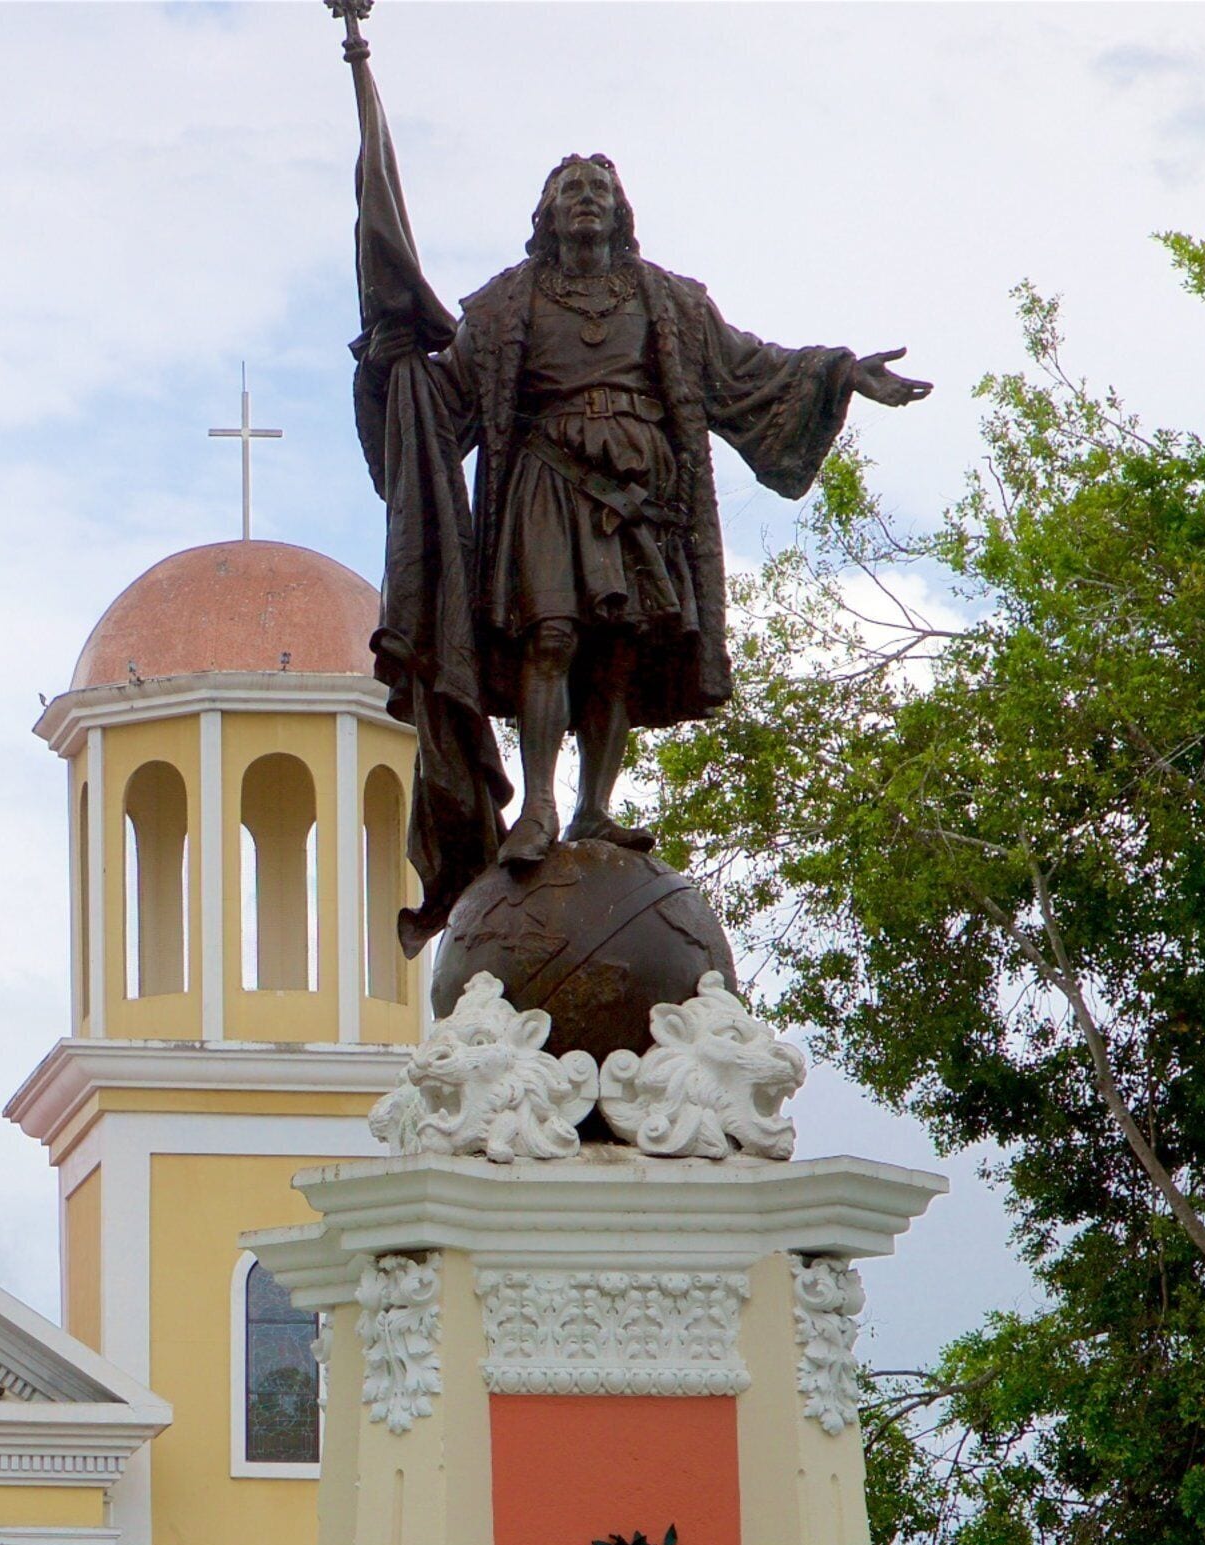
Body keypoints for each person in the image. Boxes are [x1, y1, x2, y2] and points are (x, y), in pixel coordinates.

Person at [345, 29, 928, 947]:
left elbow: (744, 371)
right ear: (545, 215)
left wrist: (838, 372)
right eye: (569, 190)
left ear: (620, 213)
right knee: (551, 638)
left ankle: (592, 807)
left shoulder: (668, 300)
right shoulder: (506, 304)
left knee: (616, 649)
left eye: (599, 190)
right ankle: (535, 804)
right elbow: (443, 396)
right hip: (546, 483)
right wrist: (391, 366)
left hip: (640, 497)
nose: (585, 200)